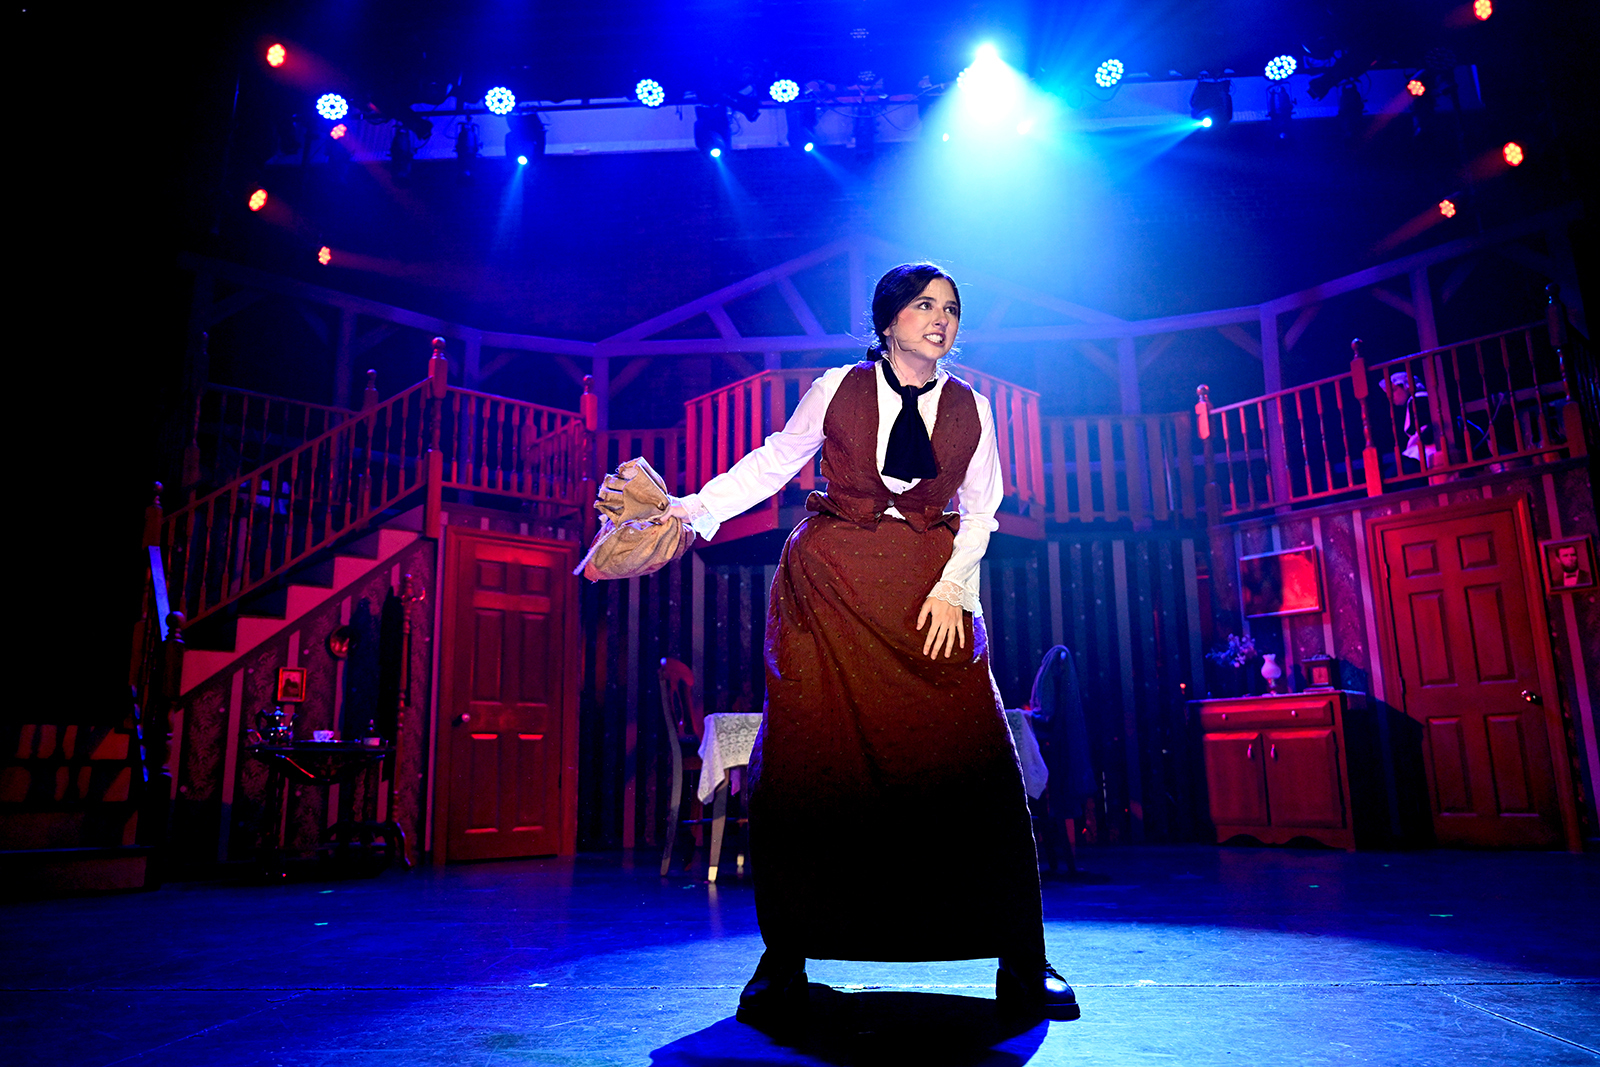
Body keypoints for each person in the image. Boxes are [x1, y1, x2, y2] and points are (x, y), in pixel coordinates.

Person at [665, 263, 1077, 1024]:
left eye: (951, 308)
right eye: (924, 305)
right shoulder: (835, 388)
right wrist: (693, 509)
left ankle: (1022, 955)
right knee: (808, 760)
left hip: (929, 593)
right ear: (888, 321)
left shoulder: (973, 406)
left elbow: (981, 510)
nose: (941, 318)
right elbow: (775, 460)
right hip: (828, 590)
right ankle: (784, 956)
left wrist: (954, 587)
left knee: (976, 758)